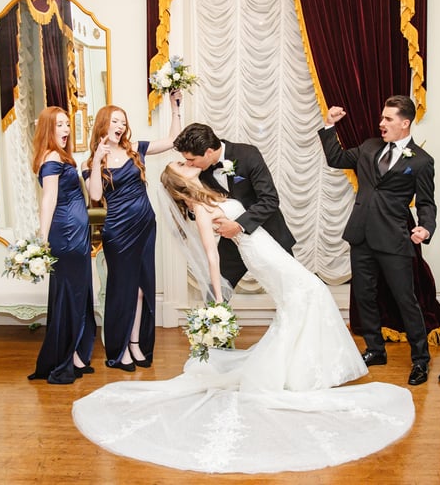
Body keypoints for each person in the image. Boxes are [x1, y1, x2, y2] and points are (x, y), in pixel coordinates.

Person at [70, 161, 415, 473]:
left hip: (268, 247)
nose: (187, 163)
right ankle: (304, 372)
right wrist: (219, 300)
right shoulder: (200, 209)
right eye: (181, 164)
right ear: (179, 179)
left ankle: (306, 369)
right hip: (260, 256)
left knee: (307, 298)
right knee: (310, 294)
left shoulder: (212, 190)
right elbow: (211, 255)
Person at [318, 95, 436, 386]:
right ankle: (375, 349)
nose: (381, 123)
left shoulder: (421, 161)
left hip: (394, 238)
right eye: (382, 118)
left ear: (405, 123)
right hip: (361, 235)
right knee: (364, 295)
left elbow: (427, 202)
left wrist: (426, 227)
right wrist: (328, 125)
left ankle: (420, 359)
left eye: (388, 119)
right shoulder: (369, 147)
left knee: (406, 300)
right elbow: (336, 159)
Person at [82, 91, 182, 372]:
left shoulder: (135, 148)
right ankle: (120, 346)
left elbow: (173, 142)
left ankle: (136, 343)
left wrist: (175, 108)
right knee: (121, 290)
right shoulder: (90, 162)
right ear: (103, 124)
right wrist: (98, 161)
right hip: (117, 231)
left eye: (123, 122)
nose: (120, 126)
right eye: (115, 121)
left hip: (144, 225)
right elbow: (96, 197)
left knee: (140, 290)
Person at [172, 123, 296, 288]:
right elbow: (201, 207)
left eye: (191, 159)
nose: (188, 164)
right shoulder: (198, 171)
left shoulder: (248, 154)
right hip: (232, 243)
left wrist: (238, 225)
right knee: (217, 291)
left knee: (292, 287)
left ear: (208, 152)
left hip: (269, 232)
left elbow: (270, 199)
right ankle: (212, 315)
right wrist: (191, 207)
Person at [28, 106, 97, 384]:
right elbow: (49, 199)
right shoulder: (52, 157)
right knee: (71, 297)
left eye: (67, 124)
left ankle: (77, 354)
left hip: (76, 235)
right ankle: (65, 359)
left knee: (78, 295)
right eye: (59, 125)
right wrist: (43, 239)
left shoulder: (60, 156)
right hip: (66, 236)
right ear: (48, 129)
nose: (66, 129)